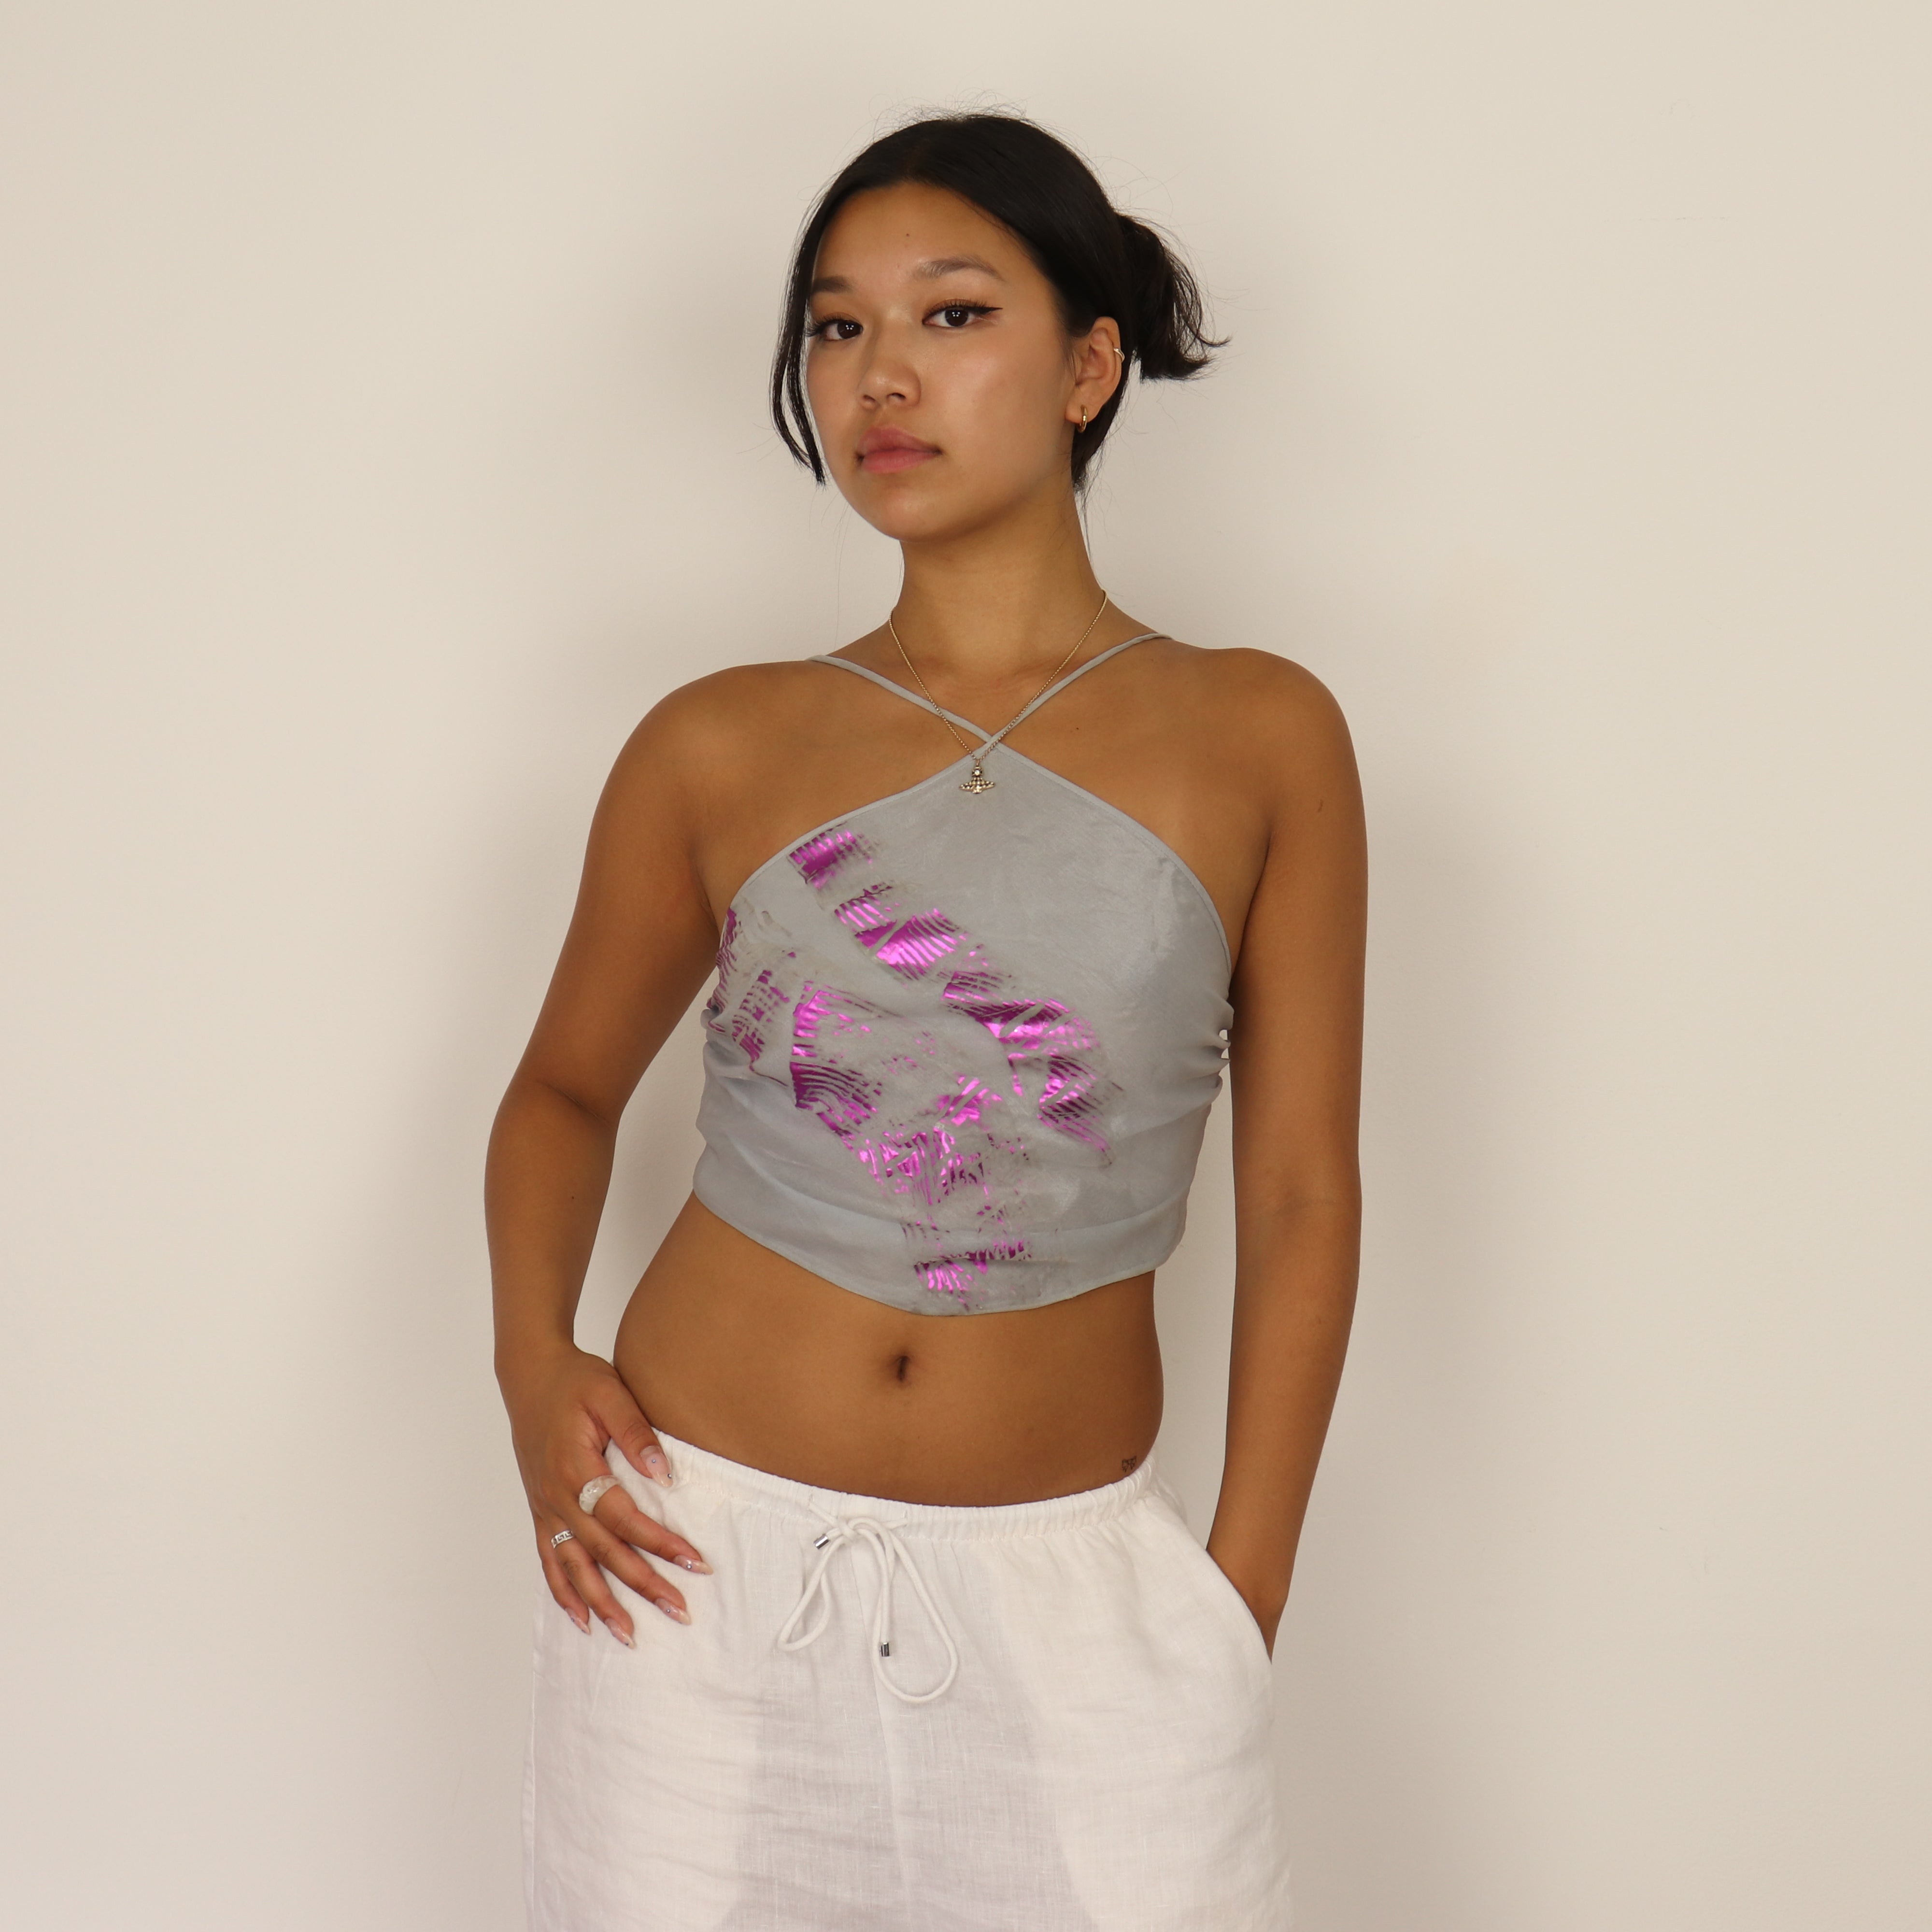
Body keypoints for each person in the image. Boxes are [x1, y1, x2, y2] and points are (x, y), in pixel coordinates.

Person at [488, 110, 1365, 1930]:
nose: (880, 376)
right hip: (692, 1576)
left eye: (953, 315)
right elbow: (564, 1090)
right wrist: (529, 1364)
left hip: (1077, 1595)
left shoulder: (1260, 734)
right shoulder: (716, 741)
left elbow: (1300, 1192)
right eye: (836, 327)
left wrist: (1240, 1596)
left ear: (1091, 366)